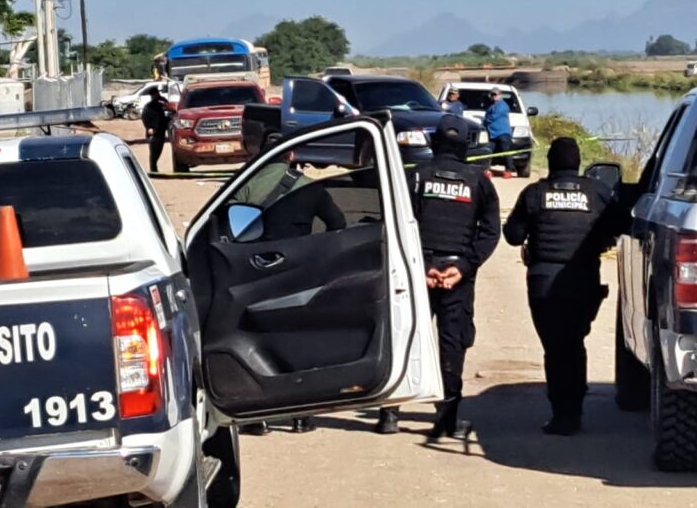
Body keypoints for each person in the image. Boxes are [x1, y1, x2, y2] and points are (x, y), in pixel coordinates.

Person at [375, 113, 500, 441]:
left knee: (405, 338)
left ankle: (389, 414)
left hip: (417, 271)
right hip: (457, 274)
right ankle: (447, 418)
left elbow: (400, 223)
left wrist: (424, 265)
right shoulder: (480, 181)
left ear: (433, 143)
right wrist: (464, 267)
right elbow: (489, 232)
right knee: (452, 344)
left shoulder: (416, 177)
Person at [502, 137, 621, 436]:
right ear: (578, 163)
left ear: (552, 162)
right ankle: (573, 412)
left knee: (555, 349)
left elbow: (514, 235)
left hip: (543, 282)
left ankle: (562, 414)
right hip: (583, 281)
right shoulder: (598, 192)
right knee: (574, 343)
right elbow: (619, 225)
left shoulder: (534, 193)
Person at [232, 150, 346, 435]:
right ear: (292, 155)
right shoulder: (310, 186)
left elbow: (228, 223)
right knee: (298, 341)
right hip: (298, 270)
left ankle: (256, 417)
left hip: (255, 270)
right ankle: (301, 415)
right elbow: (338, 224)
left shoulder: (244, 184)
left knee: (252, 340)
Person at [483, 87, 513, 179]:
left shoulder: (503, 105)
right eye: (492, 94)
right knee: (488, 151)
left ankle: (509, 171)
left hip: (503, 133)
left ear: (500, 95)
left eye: (496, 94)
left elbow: (492, 117)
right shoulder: (491, 106)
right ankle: (487, 170)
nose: (494, 96)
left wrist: (485, 121)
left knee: (506, 152)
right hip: (492, 134)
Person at [141, 86, 170, 172]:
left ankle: (154, 168)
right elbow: (144, 118)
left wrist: (163, 99)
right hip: (154, 133)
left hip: (161, 132)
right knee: (154, 152)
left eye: (158, 93)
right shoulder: (148, 106)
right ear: (152, 95)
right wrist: (149, 127)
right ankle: (153, 169)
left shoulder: (159, 105)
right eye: (156, 94)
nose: (157, 95)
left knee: (158, 151)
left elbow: (168, 107)